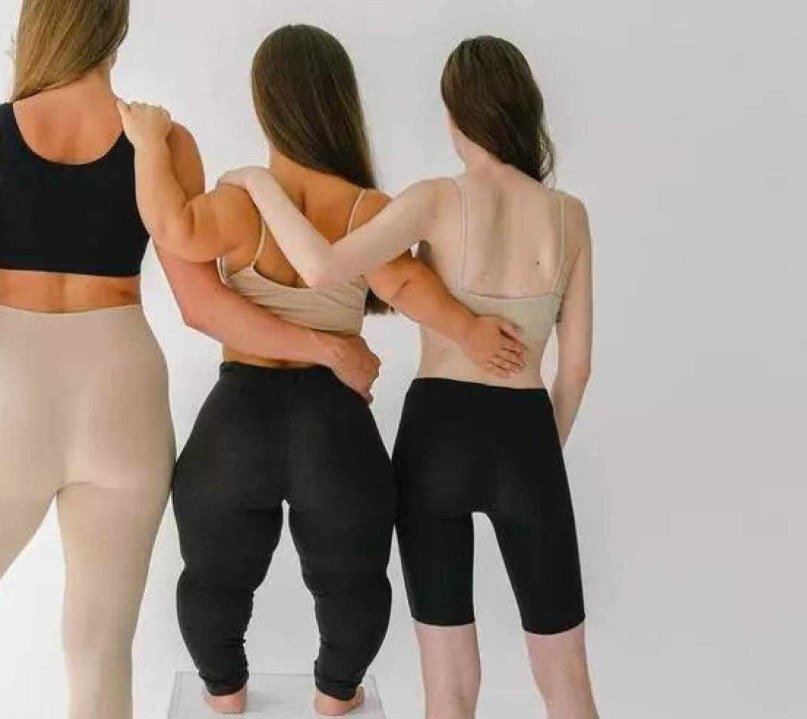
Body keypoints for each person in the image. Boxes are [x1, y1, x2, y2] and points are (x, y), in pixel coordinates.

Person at [0, 3, 385, 718]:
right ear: (115, 32)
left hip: (10, 390)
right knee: (99, 648)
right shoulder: (165, 141)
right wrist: (327, 347)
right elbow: (201, 305)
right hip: (122, 389)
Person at [117, 24, 528, 717]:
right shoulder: (365, 210)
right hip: (333, 422)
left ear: (266, 107)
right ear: (339, 103)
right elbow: (409, 287)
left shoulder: (241, 202)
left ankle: (225, 696)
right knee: (353, 583)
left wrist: (150, 144)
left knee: (212, 578)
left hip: (237, 419)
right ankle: (337, 698)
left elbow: (173, 227)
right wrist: (470, 330)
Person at [222, 35, 599, 719]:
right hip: (526, 435)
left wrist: (258, 182)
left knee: (448, 688)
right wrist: (537, 456)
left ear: (454, 115)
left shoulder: (434, 199)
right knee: (567, 681)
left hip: (437, 439)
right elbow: (576, 368)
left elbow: (322, 266)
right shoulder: (569, 215)